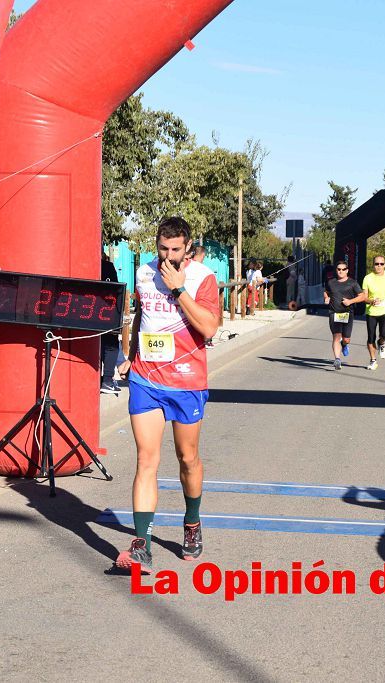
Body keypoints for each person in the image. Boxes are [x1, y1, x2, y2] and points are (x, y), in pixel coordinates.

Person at [116, 217, 220, 573]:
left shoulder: (203, 277)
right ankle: (141, 545)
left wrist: (178, 290)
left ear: (188, 248)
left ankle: (192, 521)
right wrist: (130, 357)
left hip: (187, 381)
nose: (169, 256)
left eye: (176, 249)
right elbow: (141, 316)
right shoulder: (144, 274)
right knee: (146, 460)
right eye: (163, 248)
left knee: (187, 458)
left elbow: (208, 327)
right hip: (146, 380)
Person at [323, 260, 366, 370]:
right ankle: (337, 359)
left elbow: (362, 296)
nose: (341, 271)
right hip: (334, 313)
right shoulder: (331, 282)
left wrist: (350, 301)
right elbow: (326, 292)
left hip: (347, 313)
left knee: (346, 339)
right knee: (336, 336)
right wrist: (326, 298)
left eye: (343, 269)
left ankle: (345, 344)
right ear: (336, 270)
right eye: (338, 269)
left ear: (347, 270)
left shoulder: (352, 283)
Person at [361, 256, 385, 370]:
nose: (379, 266)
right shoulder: (367, 278)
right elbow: (364, 296)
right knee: (370, 337)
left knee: (384, 335)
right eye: (376, 264)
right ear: (373, 265)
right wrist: (371, 301)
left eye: (381, 264)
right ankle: (373, 360)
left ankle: (381, 343)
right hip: (371, 311)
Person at [101, 251, 121, 394]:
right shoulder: (108, 266)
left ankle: (103, 379)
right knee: (111, 345)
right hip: (106, 312)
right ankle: (107, 379)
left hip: (86, 314)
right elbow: (115, 288)